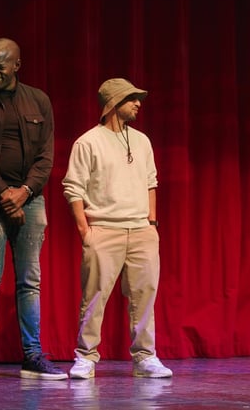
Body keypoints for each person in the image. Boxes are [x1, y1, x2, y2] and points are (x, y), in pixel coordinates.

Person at [0, 37, 66, 382]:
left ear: (17, 65)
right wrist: (6, 194)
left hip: (30, 200)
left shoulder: (39, 100)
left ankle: (32, 356)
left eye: (0, 66)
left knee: (29, 281)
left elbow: (46, 156)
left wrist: (24, 192)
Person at [62, 78, 172, 380]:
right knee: (94, 297)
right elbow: (73, 188)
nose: (138, 104)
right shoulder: (88, 142)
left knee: (144, 296)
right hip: (103, 230)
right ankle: (85, 356)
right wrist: (86, 232)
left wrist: (151, 223)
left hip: (141, 231)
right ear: (113, 103)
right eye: (132, 98)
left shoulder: (142, 140)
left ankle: (145, 357)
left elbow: (151, 182)